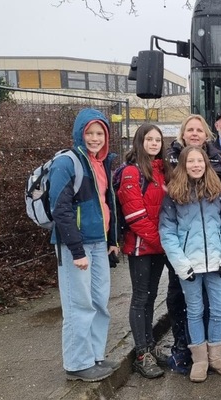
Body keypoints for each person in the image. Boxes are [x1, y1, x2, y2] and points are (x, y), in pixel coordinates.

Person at [48, 108, 119, 382]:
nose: (95, 138)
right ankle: (77, 363)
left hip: (99, 243)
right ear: (80, 133)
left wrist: (112, 241)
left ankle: (94, 356)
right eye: (89, 133)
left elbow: (106, 203)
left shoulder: (102, 162)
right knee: (78, 304)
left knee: (99, 303)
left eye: (100, 133)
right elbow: (60, 209)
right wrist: (77, 251)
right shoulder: (66, 162)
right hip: (75, 246)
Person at [159, 146, 221, 383]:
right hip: (190, 265)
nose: (196, 165)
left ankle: (216, 356)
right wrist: (181, 265)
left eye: (200, 161)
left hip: (216, 264)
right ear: (184, 165)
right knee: (194, 311)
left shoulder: (218, 193)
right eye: (191, 161)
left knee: (219, 310)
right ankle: (200, 360)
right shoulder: (174, 195)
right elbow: (168, 233)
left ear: (206, 164)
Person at [117, 124, 170, 379]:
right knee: (140, 298)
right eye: (149, 139)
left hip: (157, 246)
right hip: (140, 247)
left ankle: (150, 344)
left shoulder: (161, 170)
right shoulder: (131, 172)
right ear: (140, 141)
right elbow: (135, 215)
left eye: (157, 140)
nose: (154, 143)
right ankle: (141, 354)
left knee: (150, 296)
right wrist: (160, 242)